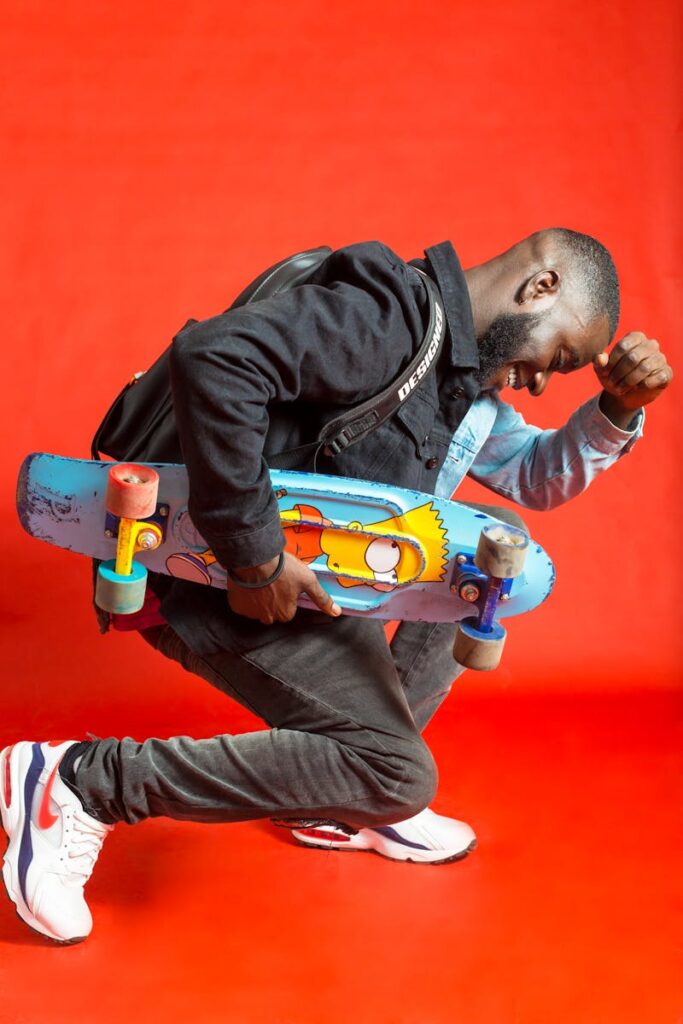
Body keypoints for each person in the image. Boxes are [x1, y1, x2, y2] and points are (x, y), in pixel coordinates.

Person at [1, 230, 672, 944]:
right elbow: (215, 359)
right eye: (557, 358)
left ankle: (332, 802)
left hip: (309, 584)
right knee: (397, 774)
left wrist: (616, 412)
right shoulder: (388, 319)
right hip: (202, 572)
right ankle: (76, 783)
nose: (539, 381)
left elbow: (537, 477)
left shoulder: (464, 392)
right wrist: (253, 555)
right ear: (540, 287)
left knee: (483, 545)